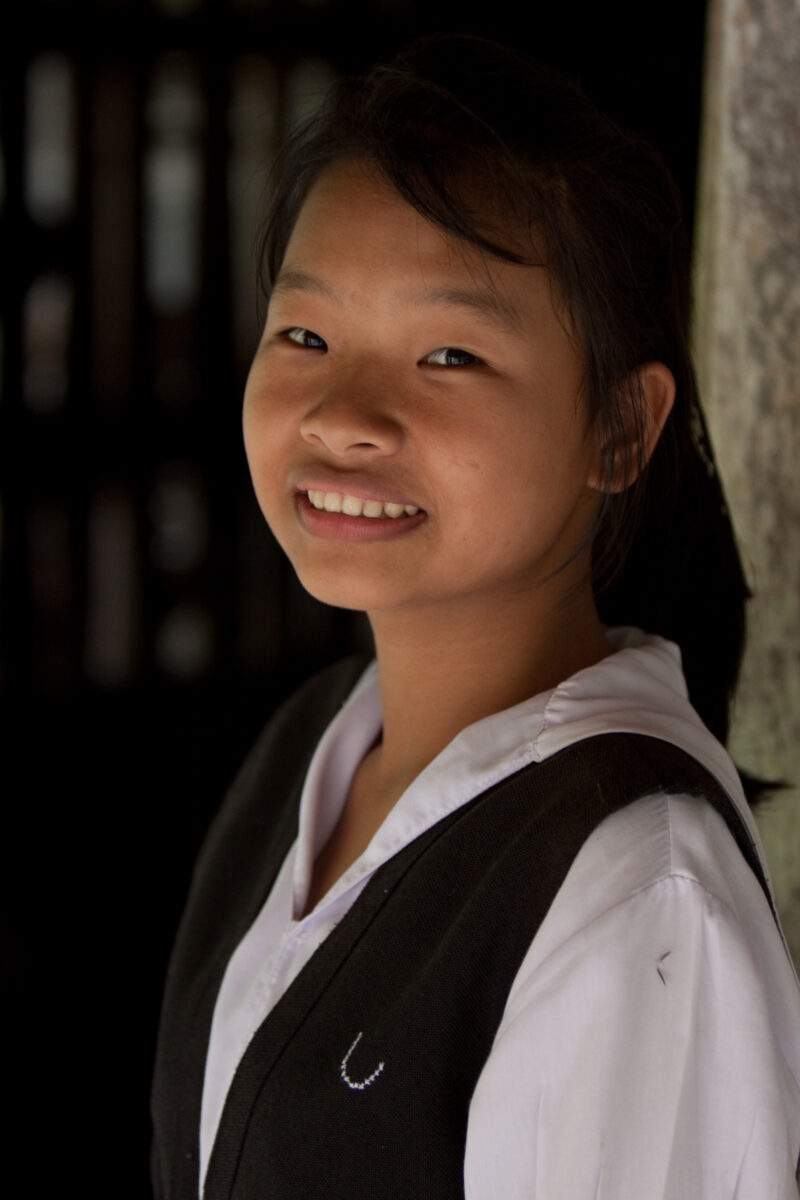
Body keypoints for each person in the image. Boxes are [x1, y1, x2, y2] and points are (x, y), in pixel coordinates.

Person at [151, 34, 800, 1199]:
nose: (344, 415)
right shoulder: (306, 752)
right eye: (306, 335)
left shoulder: (633, 884)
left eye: (447, 354)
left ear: (618, 432)